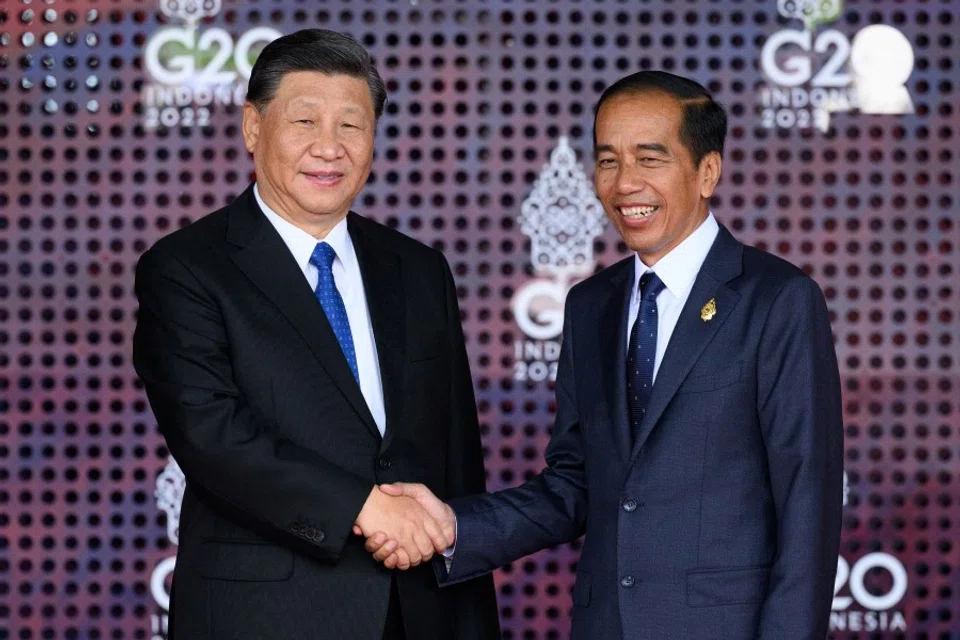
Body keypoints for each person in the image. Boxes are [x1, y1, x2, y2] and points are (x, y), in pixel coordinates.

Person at [365, 71, 844, 638]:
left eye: (650, 159)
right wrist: (451, 527)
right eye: (609, 160)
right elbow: (575, 484)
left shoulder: (777, 299)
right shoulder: (590, 305)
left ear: (707, 171)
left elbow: (807, 501)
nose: (625, 184)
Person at [132, 29, 500, 640]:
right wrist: (366, 505)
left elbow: (457, 457)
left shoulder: (418, 268)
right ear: (253, 127)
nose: (329, 148)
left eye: (351, 126)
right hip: (264, 615)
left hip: (418, 610)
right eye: (304, 121)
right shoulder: (189, 267)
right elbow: (211, 433)